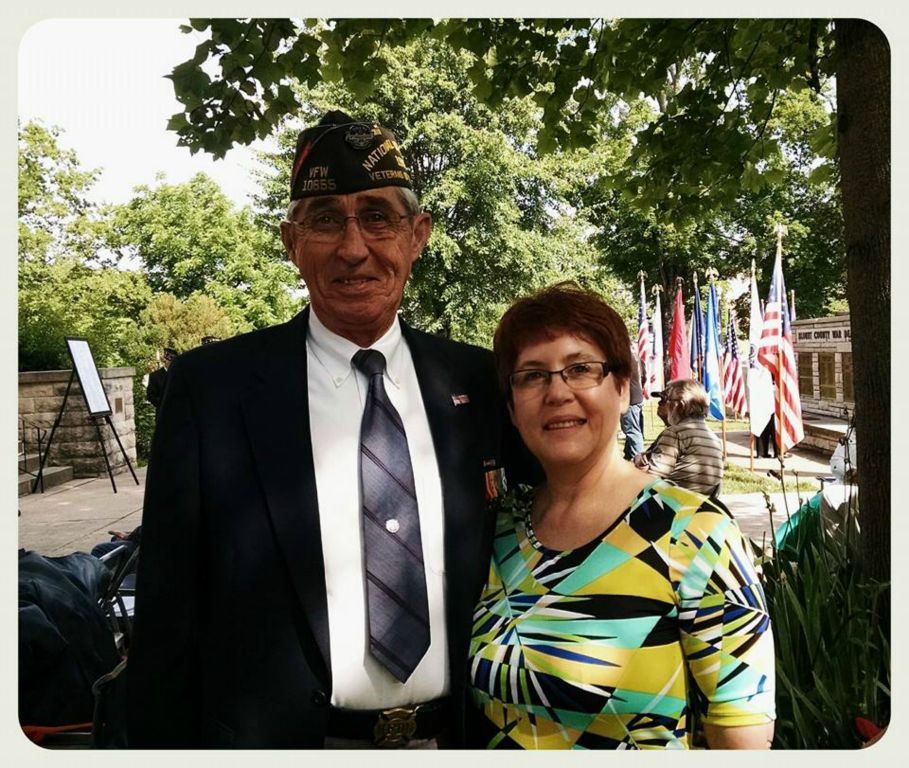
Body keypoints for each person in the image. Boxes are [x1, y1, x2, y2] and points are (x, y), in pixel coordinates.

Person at [128, 110, 531, 749]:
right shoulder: (213, 392)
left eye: (378, 216)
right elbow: (164, 618)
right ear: (291, 242)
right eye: (325, 221)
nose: (352, 247)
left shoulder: (479, 383)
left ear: (418, 235)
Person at [468, 283, 775, 750]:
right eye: (531, 375)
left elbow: (742, 741)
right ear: (511, 407)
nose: (557, 391)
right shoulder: (499, 527)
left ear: (621, 387)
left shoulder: (698, 535)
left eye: (581, 369)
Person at [633, 378, 725, 495]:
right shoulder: (713, 438)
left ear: (680, 406)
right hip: (699, 504)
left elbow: (653, 480)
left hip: (674, 503)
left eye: (665, 400)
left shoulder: (675, 433)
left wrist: (638, 464)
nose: (660, 403)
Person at [619, 354, 644, 459]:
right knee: (633, 429)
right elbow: (644, 376)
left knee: (632, 431)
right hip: (636, 396)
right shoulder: (634, 357)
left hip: (630, 400)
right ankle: (628, 455)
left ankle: (638, 460)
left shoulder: (622, 359)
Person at [145, 347, 176, 416]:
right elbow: (150, 395)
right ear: (165, 361)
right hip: (163, 415)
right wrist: (163, 403)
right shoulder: (155, 376)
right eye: (170, 361)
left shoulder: (180, 374)